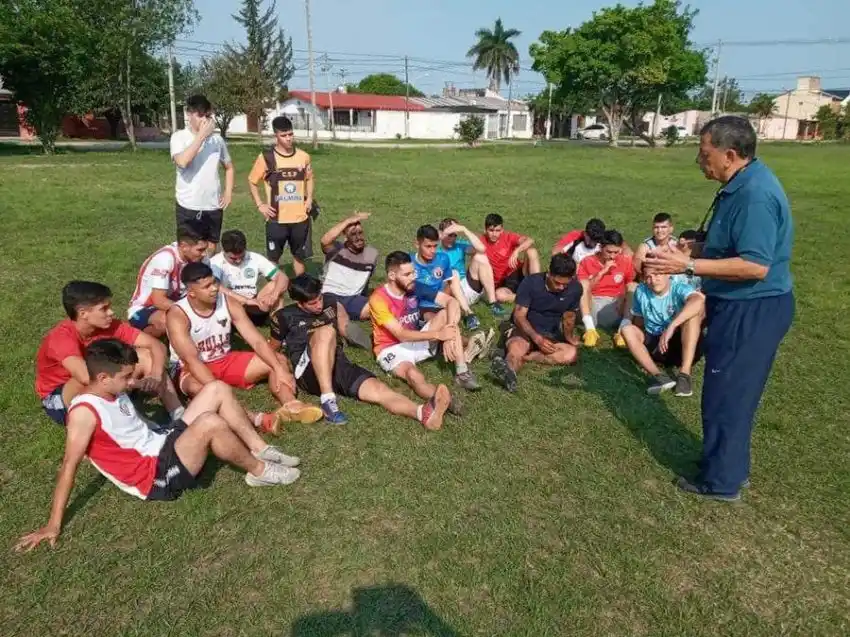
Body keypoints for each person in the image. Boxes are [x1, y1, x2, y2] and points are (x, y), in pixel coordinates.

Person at [15, 340, 302, 553]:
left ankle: (259, 448)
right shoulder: (84, 413)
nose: (133, 382)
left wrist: (149, 400)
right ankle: (259, 471)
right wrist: (53, 524)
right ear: (103, 378)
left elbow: (132, 425)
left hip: (163, 443)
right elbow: (69, 465)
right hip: (154, 475)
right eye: (127, 377)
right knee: (210, 423)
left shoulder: (112, 390)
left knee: (216, 389)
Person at [644, 116, 794, 502]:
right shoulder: (739, 184)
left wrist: (689, 265)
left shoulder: (755, 195)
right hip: (737, 305)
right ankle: (727, 465)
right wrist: (695, 248)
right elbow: (731, 245)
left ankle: (721, 482)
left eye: (704, 152)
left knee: (727, 394)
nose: (699, 160)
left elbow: (755, 265)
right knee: (729, 392)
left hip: (752, 309)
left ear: (729, 155)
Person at [269, 275, 451, 429]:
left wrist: (363, 339)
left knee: (379, 389)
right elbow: (272, 350)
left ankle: (422, 413)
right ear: (299, 304)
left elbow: (345, 326)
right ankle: (328, 401)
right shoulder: (284, 316)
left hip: (337, 364)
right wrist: (282, 370)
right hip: (307, 371)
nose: (319, 305)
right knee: (326, 332)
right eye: (312, 303)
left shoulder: (331, 303)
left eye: (320, 298)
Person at [166, 262, 323, 427]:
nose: (214, 288)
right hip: (189, 368)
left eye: (214, 282)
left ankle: (292, 405)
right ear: (191, 292)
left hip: (224, 359)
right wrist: (217, 388)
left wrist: (278, 369)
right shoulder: (178, 314)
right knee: (200, 389)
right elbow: (191, 360)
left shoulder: (227, 302)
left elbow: (256, 340)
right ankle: (257, 419)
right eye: (206, 286)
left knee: (278, 360)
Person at [36, 281, 183, 425]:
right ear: (83, 313)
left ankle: (178, 415)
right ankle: (140, 425)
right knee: (93, 377)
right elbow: (86, 378)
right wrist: (136, 383)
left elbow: (156, 345)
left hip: (108, 380)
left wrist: (156, 375)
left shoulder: (109, 326)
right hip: (63, 396)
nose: (111, 312)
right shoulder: (61, 338)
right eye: (104, 308)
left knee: (145, 355)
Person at [369, 252, 479, 413]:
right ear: (392, 276)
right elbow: (401, 334)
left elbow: (451, 301)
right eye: (407, 274)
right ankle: (447, 401)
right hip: (391, 348)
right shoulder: (378, 298)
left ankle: (462, 372)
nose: (413, 277)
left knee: (446, 314)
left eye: (413, 272)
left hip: (417, 339)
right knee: (413, 375)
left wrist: (449, 332)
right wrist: (439, 335)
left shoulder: (414, 286)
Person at [490, 254, 581, 392]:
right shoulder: (531, 283)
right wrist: (537, 339)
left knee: (571, 354)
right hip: (524, 329)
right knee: (517, 347)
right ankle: (509, 371)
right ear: (549, 273)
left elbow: (569, 317)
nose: (561, 287)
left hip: (550, 334)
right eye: (557, 283)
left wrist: (569, 338)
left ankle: (528, 358)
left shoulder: (575, 289)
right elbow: (519, 316)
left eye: (565, 284)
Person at [248, 116, 314, 276]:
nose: (288, 138)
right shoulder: (266, 158)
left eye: (290, 134)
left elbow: (310, 178)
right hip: (276, 219)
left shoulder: (304, 157)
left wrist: (310, 198)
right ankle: (275, 288)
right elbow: (252, 181)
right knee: (273, 259)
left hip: (300, 218)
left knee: (299, 258)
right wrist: (260, 204)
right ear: (276, 136)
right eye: (284, 135)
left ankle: (301, 288)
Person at [621, 272, 705, 396]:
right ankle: (659, 376)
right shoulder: (641, 290)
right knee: (627, 329)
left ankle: (684, 375)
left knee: (692, 316)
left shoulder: (679, 287)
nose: (653, 280)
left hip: (680, 343)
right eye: (648, 277)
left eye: (657, 274)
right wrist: (637, 346)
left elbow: (699, 300)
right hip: (656, 344)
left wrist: (672, 326)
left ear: (668, 274)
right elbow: (639, 322)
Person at [170, 94, 234, 252]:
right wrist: (201, 136)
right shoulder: (179, 137)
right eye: (200, 115)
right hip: (188, 205)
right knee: (190, 251)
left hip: (212, 206)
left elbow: (229, 167)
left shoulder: (217, 140)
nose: (204, 120)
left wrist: (228, 193)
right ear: (189, 114)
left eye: (207, 116)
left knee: (210, 249)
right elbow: (182, 161)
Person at [127, 226, 209, 337]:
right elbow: (159, 301)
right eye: (200, 250)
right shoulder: (165, 259)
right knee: (169, 320)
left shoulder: (201, 258)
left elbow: (208, 285)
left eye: (205, 249)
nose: (204, 254)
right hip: (146, 307)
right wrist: (193, 312)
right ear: (184, 246)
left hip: (178, 302)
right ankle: (134, 340)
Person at [210, 229, 287, 326]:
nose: (238, 261)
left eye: (241, 257)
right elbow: (215, 286)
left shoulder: (254, 258)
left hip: (253, 305)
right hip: (230, 306)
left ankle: (278, 327)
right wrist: (245, 300)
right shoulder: (215, 263)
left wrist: (274, 295)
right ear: (223, 250)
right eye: (233, 258)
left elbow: (282, 277)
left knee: (276, 286)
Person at [437, 217, 506, 325]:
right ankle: (468, 314)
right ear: (441, 233)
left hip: (466, 289)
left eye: (455, 235)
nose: (453, 238)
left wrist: (464, 229)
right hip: (450, 294)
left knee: (480, 257)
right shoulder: (434, 252)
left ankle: (493, 303)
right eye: (450, 235)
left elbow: (482, 249)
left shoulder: (459, 246)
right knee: (453, 273)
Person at [578, 230, 635, 348]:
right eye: (609, 252)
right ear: (600, 247)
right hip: (592, 305)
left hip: (615, 305)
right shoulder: (587, 261)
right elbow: (583, 290)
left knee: (633, 286)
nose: (612, 256)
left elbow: (629, 284)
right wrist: (602, 272)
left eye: (616, 252)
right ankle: (590, 330)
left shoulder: (625, 261)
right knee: (582, 284)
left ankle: (622, 331)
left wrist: (622, 297)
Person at [481, 213, 541, 303]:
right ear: (485, 230)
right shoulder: (481, 242)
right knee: (499, 295)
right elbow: (469, 250)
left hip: (518, 272)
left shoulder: (508, 237)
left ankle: (538, 289)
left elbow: (530, 240)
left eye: (498, 230)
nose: (494, 234)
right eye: (491, 230)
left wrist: (517, 251)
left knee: (532, 251)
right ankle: (530, 298)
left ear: (502, 230)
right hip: (505, 283)